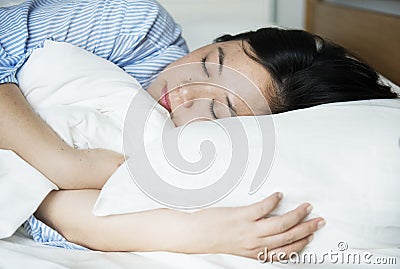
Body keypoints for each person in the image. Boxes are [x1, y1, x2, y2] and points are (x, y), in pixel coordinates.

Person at [0, 0, 396, 260]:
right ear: (217, 41)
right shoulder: (137, 26)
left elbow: (62, 214)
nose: (184, 90)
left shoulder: (183, 151)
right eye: (208, 63)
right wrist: (66, 164)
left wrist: (188, 232)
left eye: (220, 108)